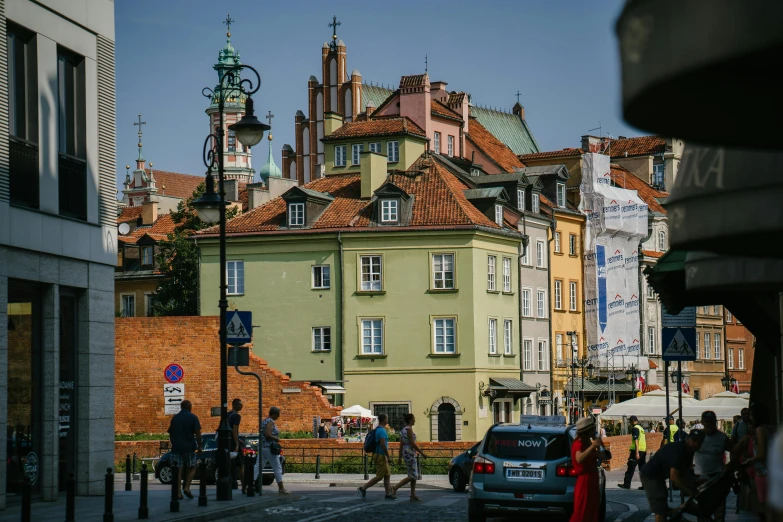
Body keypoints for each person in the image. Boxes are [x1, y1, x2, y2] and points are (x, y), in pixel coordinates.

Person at [641, 429, 705, 522]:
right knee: (660, 508)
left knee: (664, 505)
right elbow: (675, 478)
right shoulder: (679, 450)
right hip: (650, 475)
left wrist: (694, 485)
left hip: (659, 476)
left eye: (698, 442)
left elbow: (685, 472)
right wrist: (692, 493)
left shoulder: (689, 451)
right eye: (694, 441)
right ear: (688, 439)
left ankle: (674, 513)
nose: (695, 444)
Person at [694, 410, 734, 522]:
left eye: (711, 421)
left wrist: (730, 464)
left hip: (717, 478)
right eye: (706, 421)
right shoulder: (697, 436)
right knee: (701, 511)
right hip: (700, 478)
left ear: (715, 422)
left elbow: (734, 450)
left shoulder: (722, 437)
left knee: (719, 511)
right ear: (702, 422)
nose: (709, 424)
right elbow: (687, 451)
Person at [167, 399, 202, 499]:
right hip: (189, 447)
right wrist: (200, 446)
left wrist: (174, 443)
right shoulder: (193, 417)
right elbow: (198, 433)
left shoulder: (175, 418)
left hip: (177, 448)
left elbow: (171, 433)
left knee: (178, 470)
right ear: (189, 407)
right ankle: (186, 487)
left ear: (181, 407)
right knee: (192, 467)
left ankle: (178, 492)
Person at [571, 417, 602, 522]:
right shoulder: (578, 444)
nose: (593, 432)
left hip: (592, 479)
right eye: (592, 430)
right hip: (584, 481)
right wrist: (592, 446)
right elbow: (579, 459)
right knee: (582, 511)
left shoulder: (588, 443)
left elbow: (603, 456)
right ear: (586, 432)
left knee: (592, 511)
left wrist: (599, 445)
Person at [745, 403, 772, 520]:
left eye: (751, 414)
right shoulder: (771, 428)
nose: (749, 417)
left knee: (763, 506)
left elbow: (761, 453)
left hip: (762, 472)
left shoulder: (760, 430)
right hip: (771, 472)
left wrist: (749, 461)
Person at [358, 413, 394, 500]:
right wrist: (387, 455)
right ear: (384, 420)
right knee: (380, 476)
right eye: (387, 419)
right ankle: (363, 488)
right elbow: (382, 444)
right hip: (380, 455)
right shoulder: (381, 431)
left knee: (387, 475)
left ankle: (388, 494)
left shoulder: (379, 429)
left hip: (379, 454)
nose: (387, 421)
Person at [392, 414, 428, 501]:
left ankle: (413, 495)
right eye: (414, 419)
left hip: (406, 453)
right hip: (410, 453)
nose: (415, 420)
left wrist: (400, 457)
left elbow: (401, 444)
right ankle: (395, 488)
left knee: (411, 474)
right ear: (410, 420)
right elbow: (412, 443)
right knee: (413, 475)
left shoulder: (403, 430)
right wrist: (422, 453)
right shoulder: (409, 429)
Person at [260, 406, 288, 495]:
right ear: (274, 414)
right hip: (269, 448)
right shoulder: (270, 421)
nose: (278, 417)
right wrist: (276, 438)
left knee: (258, 466)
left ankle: (251, 486)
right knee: (277, 468)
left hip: (262, 447)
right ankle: (281, 488)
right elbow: (267, 434)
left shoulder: (265, 421)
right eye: (278, 415)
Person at [619, 415, 647, 490]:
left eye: (630, 421)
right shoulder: (641, 428)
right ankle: (645, 485)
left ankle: (626, 484)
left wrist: (637, 452)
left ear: (633, 420)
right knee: (642, 469)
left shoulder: (635, 428)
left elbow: (636, 440)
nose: (629, 423)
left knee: (631, 467)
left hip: (636, 451)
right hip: (643, 450)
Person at [227, 398, 245, 493]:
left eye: (241, 404)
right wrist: (237, 444)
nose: (241, 406)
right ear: (234, 405)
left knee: (228, 465)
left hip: (226, 443)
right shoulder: (236, 416)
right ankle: (244, 486)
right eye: (239, 404)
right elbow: (234, 430)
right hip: (233, 444)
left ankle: (229, 485)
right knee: (240, 465)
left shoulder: (227, 414)